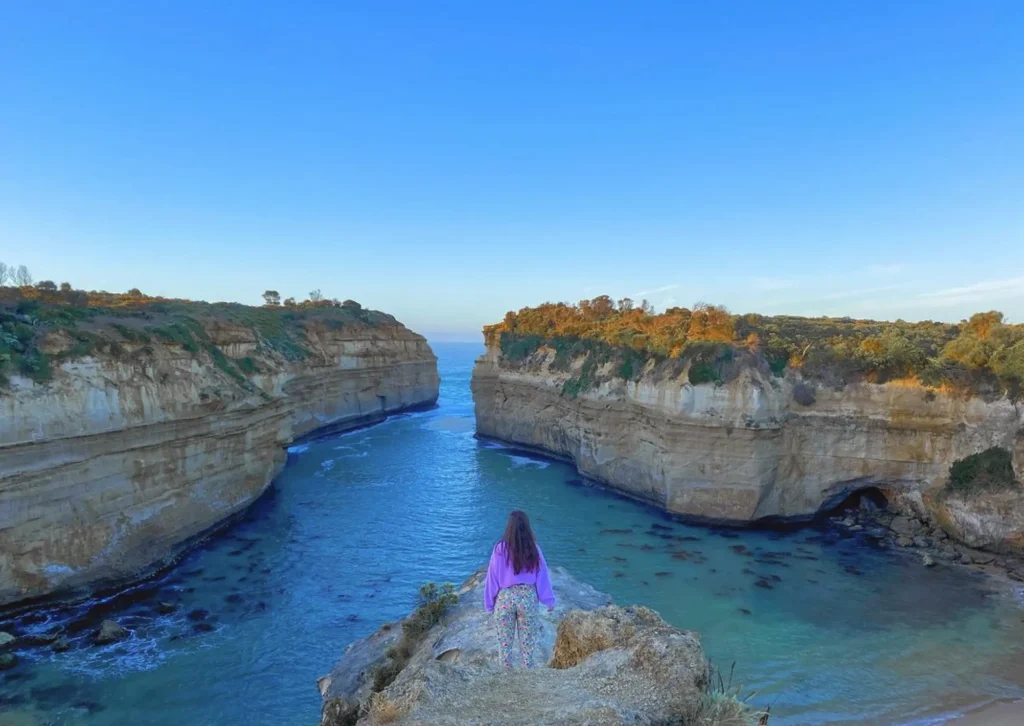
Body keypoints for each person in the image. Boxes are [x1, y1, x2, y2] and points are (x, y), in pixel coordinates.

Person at [484, 510, 556, 669]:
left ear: (509, 527)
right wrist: (549, 600)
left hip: (506, 598)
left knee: (504, 647)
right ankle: (527, 679)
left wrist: (489, 604)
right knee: (528, 648)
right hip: (528, 598)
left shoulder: (499, 549)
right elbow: (542, 575)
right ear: (527, 527)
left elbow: (492, 577)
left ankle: (506, 679)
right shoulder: (534, 549)